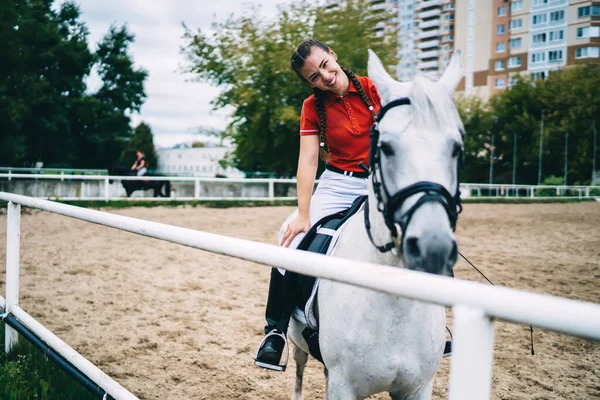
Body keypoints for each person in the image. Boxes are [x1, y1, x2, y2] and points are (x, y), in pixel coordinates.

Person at [254, 39, 381, 371]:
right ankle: (276, 332)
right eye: (314, 76)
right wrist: (303, 214)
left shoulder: (373, 89)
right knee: (289, 237)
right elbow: (308, 161)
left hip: (379, 184)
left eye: (325, 64)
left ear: (334, 56)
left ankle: (433, 330)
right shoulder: (312, 107)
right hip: (338, 184)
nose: (324, 76)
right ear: (309, 83)